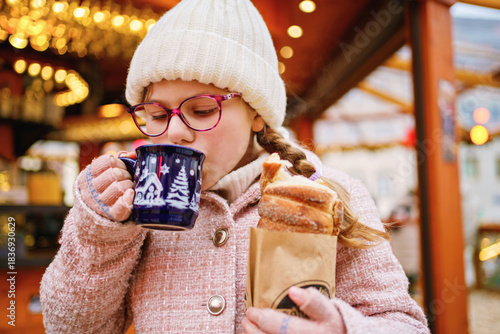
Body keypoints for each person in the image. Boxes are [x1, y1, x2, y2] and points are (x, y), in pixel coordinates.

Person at [40, 0, 430, 333]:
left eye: (203, 109)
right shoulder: (128, 216)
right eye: (156, 114)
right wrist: (99, 234)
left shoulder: (325, 194)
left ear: (257, 115)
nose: (174, 131)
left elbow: (403, 323)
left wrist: (342, 327)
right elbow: (69, 325)